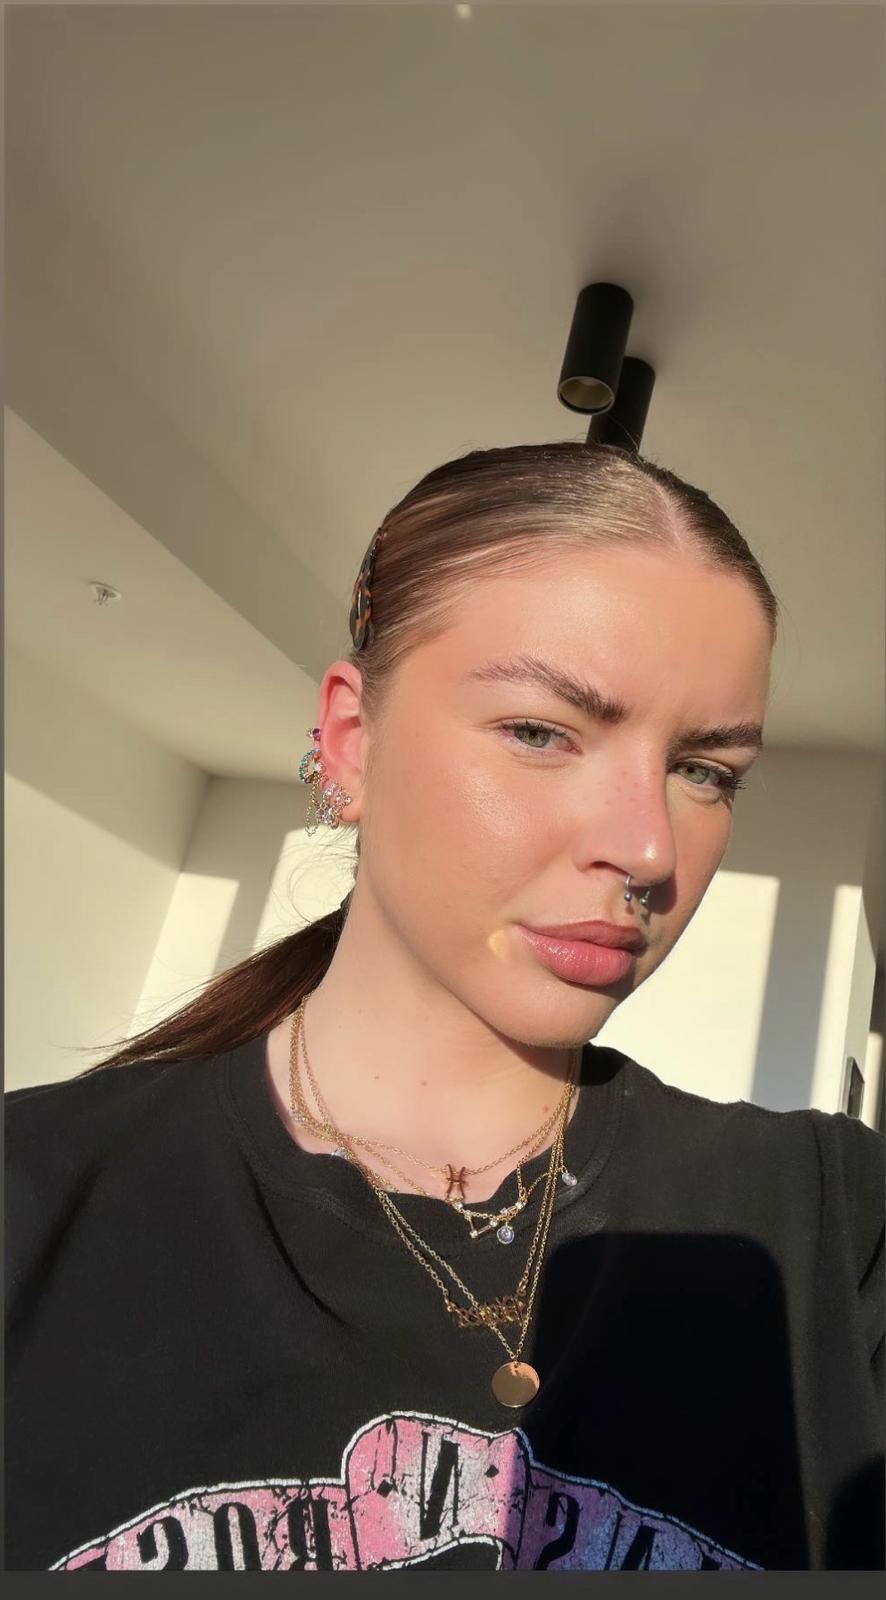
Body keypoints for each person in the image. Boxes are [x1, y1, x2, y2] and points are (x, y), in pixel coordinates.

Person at [5, 442, 883, 1572]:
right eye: (541, 731)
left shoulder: (831, 1224)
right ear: (349, 741)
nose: (649, 849)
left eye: (705, 770)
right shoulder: (35, 1198)